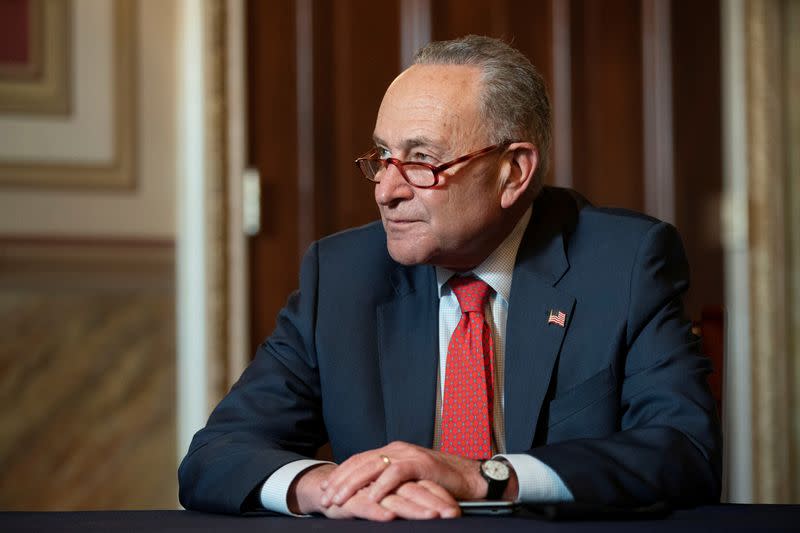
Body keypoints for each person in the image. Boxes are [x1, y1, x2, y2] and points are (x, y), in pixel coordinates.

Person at [178, 35, 722, 520]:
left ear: (513, 172)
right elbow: (216, 456)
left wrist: (482, 478)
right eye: (382, 157)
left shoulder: (623, 264)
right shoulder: (342, 276)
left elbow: (682, 452)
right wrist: (326, 487)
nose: (386, 190)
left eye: (422, 160)